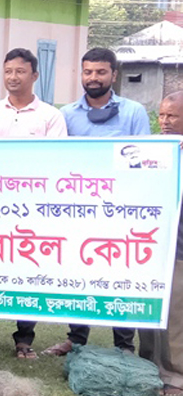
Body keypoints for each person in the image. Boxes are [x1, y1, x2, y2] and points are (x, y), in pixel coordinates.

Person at [45, 47, 151, 356]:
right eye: (88, 71)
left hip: (121, 207)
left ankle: (124, 344)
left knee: (122, 273)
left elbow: (144, 159)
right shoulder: (66, 115)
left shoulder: (133, 112)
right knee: (79, 271)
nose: (93, 77)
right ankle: (76, 338)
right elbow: (58, 161)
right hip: (78, 207)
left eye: (101, 72)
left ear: (113, 75)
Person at [0, 48, 67, 359]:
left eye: (20, 71)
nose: (13, 77)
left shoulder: (50, 116)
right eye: (8, 71)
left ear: (34, 75)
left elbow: (57, 161)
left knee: (28, 267)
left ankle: (24, 338)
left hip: (32, 207)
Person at [142, 90, 183, 396]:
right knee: (148, 312)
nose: (165, 121)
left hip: (179, 249)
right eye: (162, 115)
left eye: (173, 116)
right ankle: (147, 367)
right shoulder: (154, 149)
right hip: (150, 246)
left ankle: (175, 377)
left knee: (174, 318)